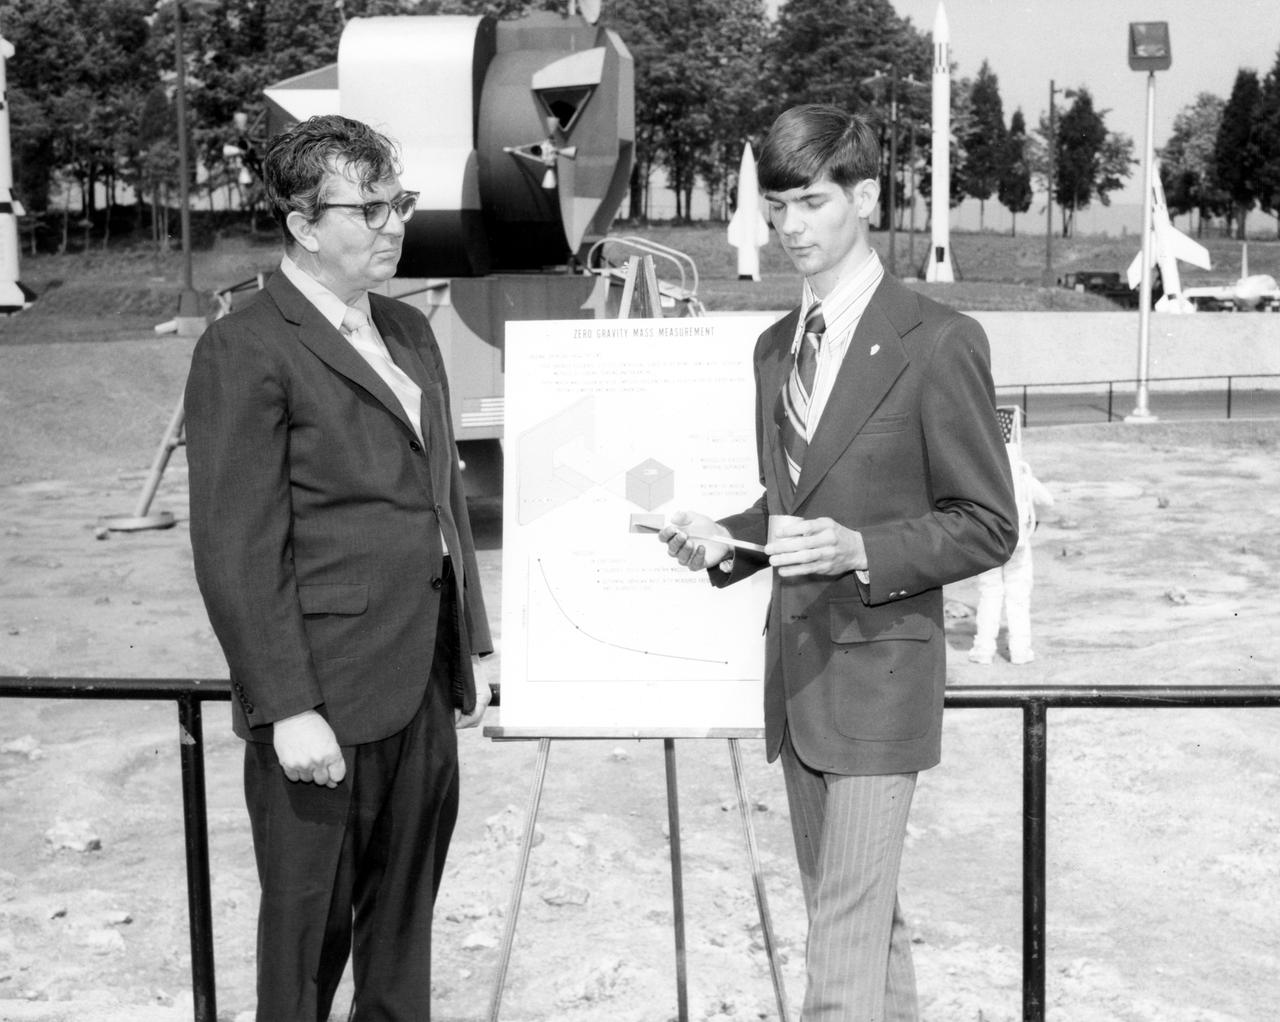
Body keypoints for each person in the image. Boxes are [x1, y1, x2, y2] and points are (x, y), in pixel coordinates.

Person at [658, 104, 1018, 1020]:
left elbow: (986, 523)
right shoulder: (774, 348)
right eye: (777, 206)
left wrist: (865, 550)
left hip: (883, 676)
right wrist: (723, 539)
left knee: (840, 949)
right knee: (858, 921)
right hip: (800, 676)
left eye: (812, 202)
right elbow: (791, 508)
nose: (790, 229)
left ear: (865, 197)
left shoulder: (939, 341)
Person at [185, 114, 493, 1022]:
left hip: (422, 681)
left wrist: (471, 646)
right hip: (323, 697)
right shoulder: (245, 347)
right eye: (369, 208)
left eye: (399, 202)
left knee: (402, 940)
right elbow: (237, 548)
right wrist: (285, 708)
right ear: (303, 223)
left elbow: (441, 501)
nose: (394, 224)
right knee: (305, 950)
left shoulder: (408, 329)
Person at [968, 413, 1055, 665]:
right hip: (1019, 541)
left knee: (989, 595)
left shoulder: (981, 477)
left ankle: (983, 650)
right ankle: (1020, 650)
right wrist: (1035, 520)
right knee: (1018, 597)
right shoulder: (1022, 473)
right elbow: (1047, 500)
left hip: (988, 543)